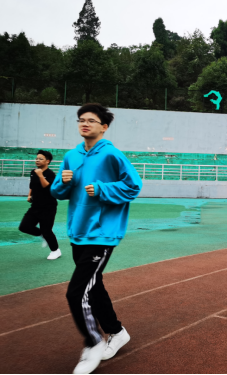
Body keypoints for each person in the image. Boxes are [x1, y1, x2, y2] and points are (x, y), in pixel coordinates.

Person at [50, 103, 142, 375]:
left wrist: (102, 188)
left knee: (77, 292)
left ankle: (93, 343)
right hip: (78, 231)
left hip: (102, 232)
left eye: (91, 120)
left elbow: (133, 186)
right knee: (95, 286)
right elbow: (58, 192)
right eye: (81, 119)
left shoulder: (112, 154)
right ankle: (117, 332)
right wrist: (64, 182)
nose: (84, 123)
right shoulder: (71, 155)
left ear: (104, 126)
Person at [18, 150, 61, 260]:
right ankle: (42, 234)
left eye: (40, 159)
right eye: (36, 158)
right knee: (24, 227)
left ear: (47, 161)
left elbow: (47, 186)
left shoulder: (50, 174)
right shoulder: (33, 172)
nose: (37, 160)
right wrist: (29, 195)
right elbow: (32, 185)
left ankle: (56, 251)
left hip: (48, 207)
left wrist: (41, 175)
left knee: (47, 230)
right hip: (35, 206)